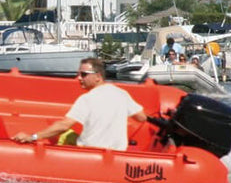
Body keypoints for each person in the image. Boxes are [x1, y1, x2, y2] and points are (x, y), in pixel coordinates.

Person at [12, 57, 147, 151]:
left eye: (83, 74)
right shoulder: (122, 94)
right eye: (78, 74)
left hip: (91, 155)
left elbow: (64, 125)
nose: (79, 78)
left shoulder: (86, 99)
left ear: (98, 77)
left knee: (66, 135)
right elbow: (142, 117)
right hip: (117, 155)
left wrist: (33, 137)